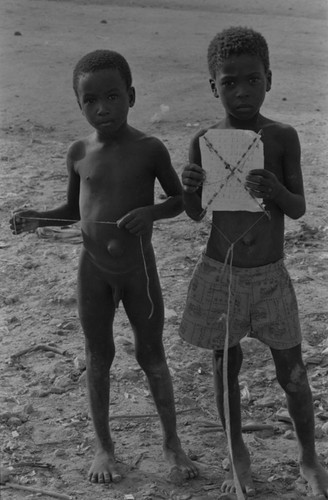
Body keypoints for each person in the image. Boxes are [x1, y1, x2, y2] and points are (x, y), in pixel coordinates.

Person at [10, 49, 198, 484]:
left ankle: (172, 443)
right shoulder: (78, 151)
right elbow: (73, 210)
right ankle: (104, 448)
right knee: (98, 357)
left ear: (130, 96)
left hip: (139, 271)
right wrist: (38, 216)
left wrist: (151, 214)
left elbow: (180, 200)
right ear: (80, 105)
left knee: (152, 354)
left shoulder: (150, 148)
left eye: (112, 97)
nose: (102, 108)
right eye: (90, 101)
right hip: (92, 270)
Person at [180, 26, 328, 497]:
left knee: (293, 370)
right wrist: (189, 185)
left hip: (269, 276)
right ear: (213, 86)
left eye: (252, 80)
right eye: (229, 82)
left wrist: (275, 191)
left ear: (269, 79)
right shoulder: (205, 139)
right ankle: (237, 453)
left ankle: (309, 457)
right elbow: (196, 212)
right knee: (226, 366)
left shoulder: (281, 137)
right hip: (220, 272)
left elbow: (299, 207)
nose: (241, 91)